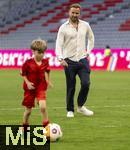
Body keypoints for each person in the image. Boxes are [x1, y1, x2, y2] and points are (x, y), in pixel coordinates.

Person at [56, 3, 94, 117]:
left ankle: (81, 106)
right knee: (71, 86)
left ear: (79, 13)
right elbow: (59, 44)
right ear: (69, 12)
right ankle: (70, 110)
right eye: (73, 12)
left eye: (77, 13)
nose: (75, 15)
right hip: (69, 61)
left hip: (82, 60)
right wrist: (60, 58)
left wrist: (88, 52)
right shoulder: (63, 27)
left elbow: (91, 38)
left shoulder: (85, 25)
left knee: (86, 83)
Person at [21, 38, 52, 129]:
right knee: (28, 111)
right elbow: (23, 73)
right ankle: (25, 125)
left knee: (43, 106)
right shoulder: (28, 63)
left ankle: (46, 125)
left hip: (41, 87)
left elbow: (47, 71)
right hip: (29, 89)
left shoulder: (45, 62)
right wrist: (27, 83)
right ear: (33, 52)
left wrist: (48, 81)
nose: (42, 55)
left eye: (43, 52)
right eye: (39, 52)